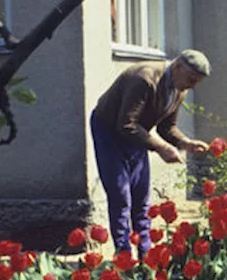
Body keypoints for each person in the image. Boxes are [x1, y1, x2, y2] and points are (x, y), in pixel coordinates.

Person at [90, 50, 211, 254]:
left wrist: (185, 143)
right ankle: (124, 253)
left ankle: (146, 254)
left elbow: (166, 127)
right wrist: (161, 147)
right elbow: (126, 124)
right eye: (192, 79)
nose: (193, 86)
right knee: (120, 194)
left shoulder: (179, 88)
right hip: (109, 131)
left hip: (137, 132)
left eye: (197, 82)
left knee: (141, 194)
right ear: (178, 67)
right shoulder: (144, 79)